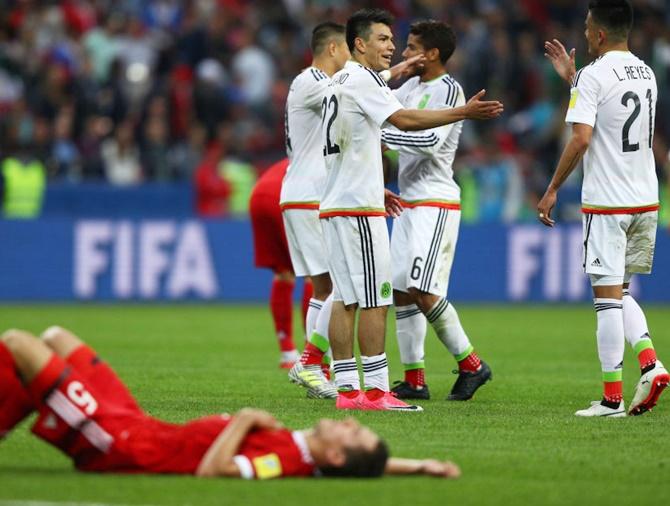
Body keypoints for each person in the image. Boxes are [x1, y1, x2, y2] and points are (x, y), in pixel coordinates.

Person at [320, 8, 503, 411]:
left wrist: (375, 169)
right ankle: (378, 391)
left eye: (401, 43)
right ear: (360, 43)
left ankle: (351, 389)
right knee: (378, 296)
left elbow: (374, 132)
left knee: (352, 296)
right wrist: (464, 114)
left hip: (365, 200)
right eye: (385, 40)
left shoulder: (338, 82)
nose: (394, 48)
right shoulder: (368, 82)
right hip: (363, 206)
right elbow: (401, 120)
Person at [0, 327, 461, 479]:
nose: (350, 424)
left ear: (336, 453)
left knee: (18, 343)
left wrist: (241, 421)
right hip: (136, 421)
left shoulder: (281, 461)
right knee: (56, 338)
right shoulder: (309, 453)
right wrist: (420, 465)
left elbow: (215, 472)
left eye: (353, 431)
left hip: (122, 443)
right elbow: (363, 461)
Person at [539, 0, 669, 417]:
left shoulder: (594, 75)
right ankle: (651, 364)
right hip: (645, 198)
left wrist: (552, 188)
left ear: (597, 33)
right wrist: (573, 80)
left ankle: (611, 398)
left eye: (586, 25)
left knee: (605, 298)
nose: (583, 31)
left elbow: (581, 138)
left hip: (607, 202)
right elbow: (615, 108)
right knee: (621, 291)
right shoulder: (646, 71)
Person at [381, 20, 492, 402]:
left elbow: (428, 141)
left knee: (423, 289)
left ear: (432, 54)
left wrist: (378, 132)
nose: (404, 53)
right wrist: (395, 74)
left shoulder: (449, 89)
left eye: (411, 48)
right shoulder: (410, 85)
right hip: (409, 201)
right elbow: (375, 95)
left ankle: (472, 364)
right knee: (400, 292)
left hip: (435, 201)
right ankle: (414, 378)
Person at [281, 23, 350, 399]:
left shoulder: (308, 85)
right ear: (335, 49)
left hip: (306, 192)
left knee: (324, 286)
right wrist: (393, 73)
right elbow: (350, 92)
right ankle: (310, 362)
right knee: (340, 284)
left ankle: (317, 369)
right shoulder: (312, 81)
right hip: (308, 194)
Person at [250, 158, 313, 368]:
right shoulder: (327, 155)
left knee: (283, 273)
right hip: (286, 197)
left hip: (258, 195)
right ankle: (311, 352)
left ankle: (287, 350)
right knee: (317, 274)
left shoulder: (301, 151)